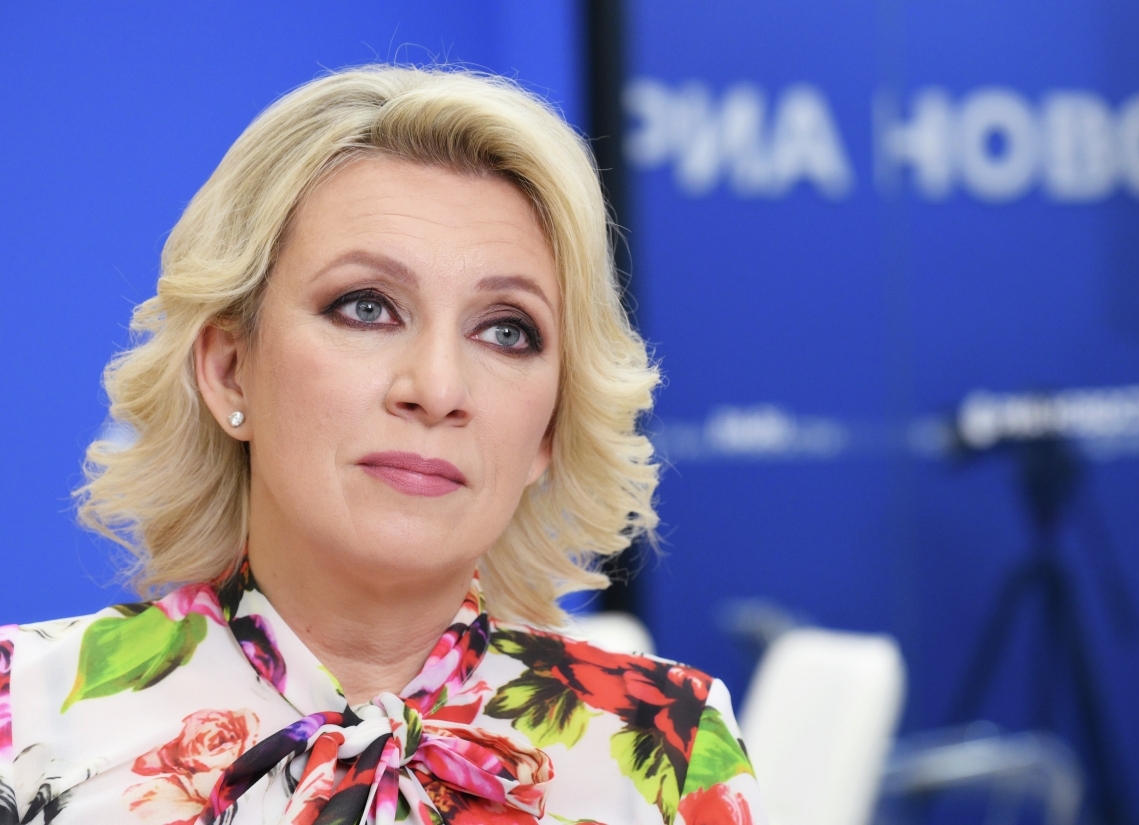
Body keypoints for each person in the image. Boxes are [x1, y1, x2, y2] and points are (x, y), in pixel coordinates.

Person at [0, 65, 763, 825]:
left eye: (507, 330)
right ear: (231, 370)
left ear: (549, 428)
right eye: (366, 307)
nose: (437, 387)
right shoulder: (19, 715)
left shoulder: (670, 750)